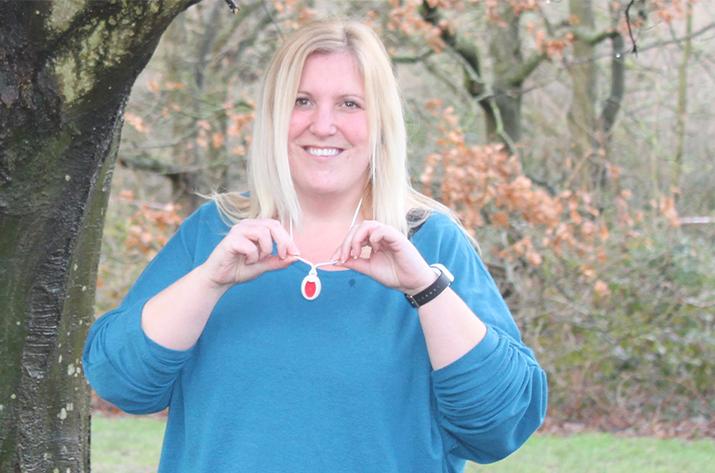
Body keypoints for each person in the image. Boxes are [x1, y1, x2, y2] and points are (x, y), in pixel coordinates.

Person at [84, 18, 547, 473]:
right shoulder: (217, 233)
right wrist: (208, 282)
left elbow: (501, 425)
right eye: (301, 101)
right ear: (273, 116)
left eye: (349, 104)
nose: (323, 125)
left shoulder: (432, 242)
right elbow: (121, 382)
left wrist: (426, 290)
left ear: (381, 122)